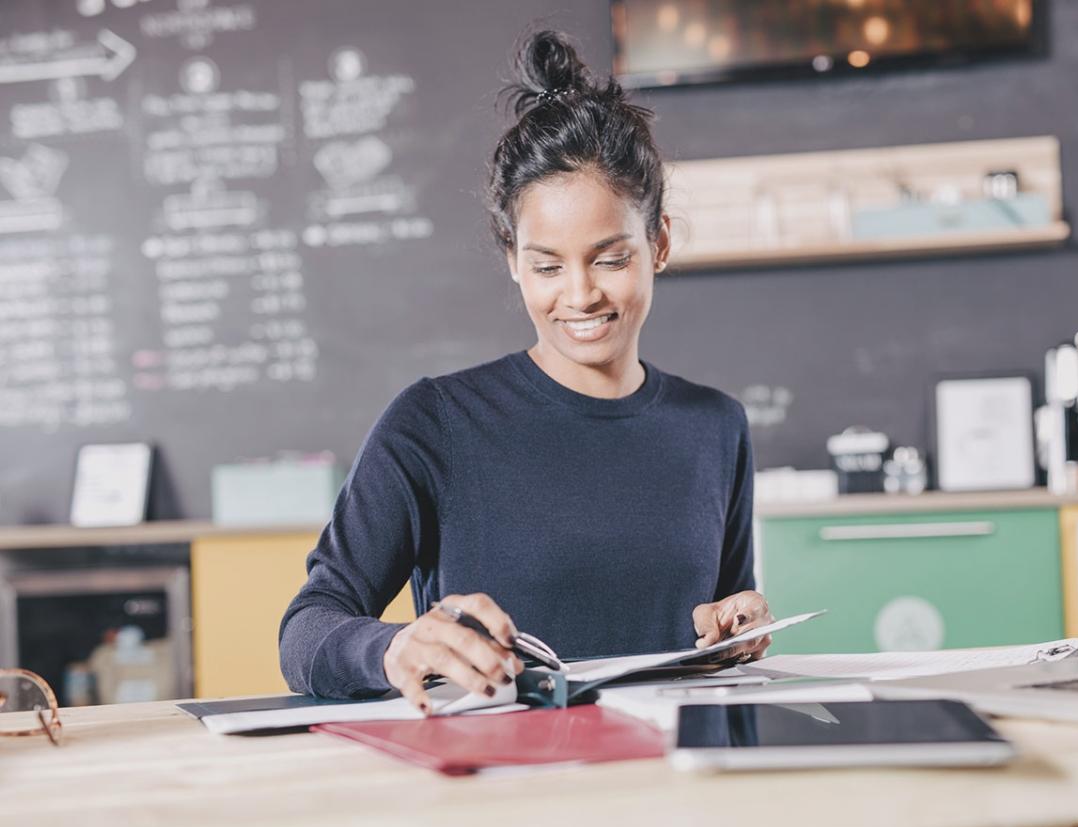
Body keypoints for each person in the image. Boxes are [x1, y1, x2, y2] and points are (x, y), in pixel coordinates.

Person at [278, 31, 777, 713]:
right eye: (547, 265)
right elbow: (307, 630)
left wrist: (737, 627)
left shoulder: (716, 427)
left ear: (657, 243)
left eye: (609, 258)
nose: (579, 295)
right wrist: (395, 646)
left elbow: (717, 623)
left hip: (669, 790)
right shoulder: (432, 424)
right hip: (499, 794)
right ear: (512, 258)